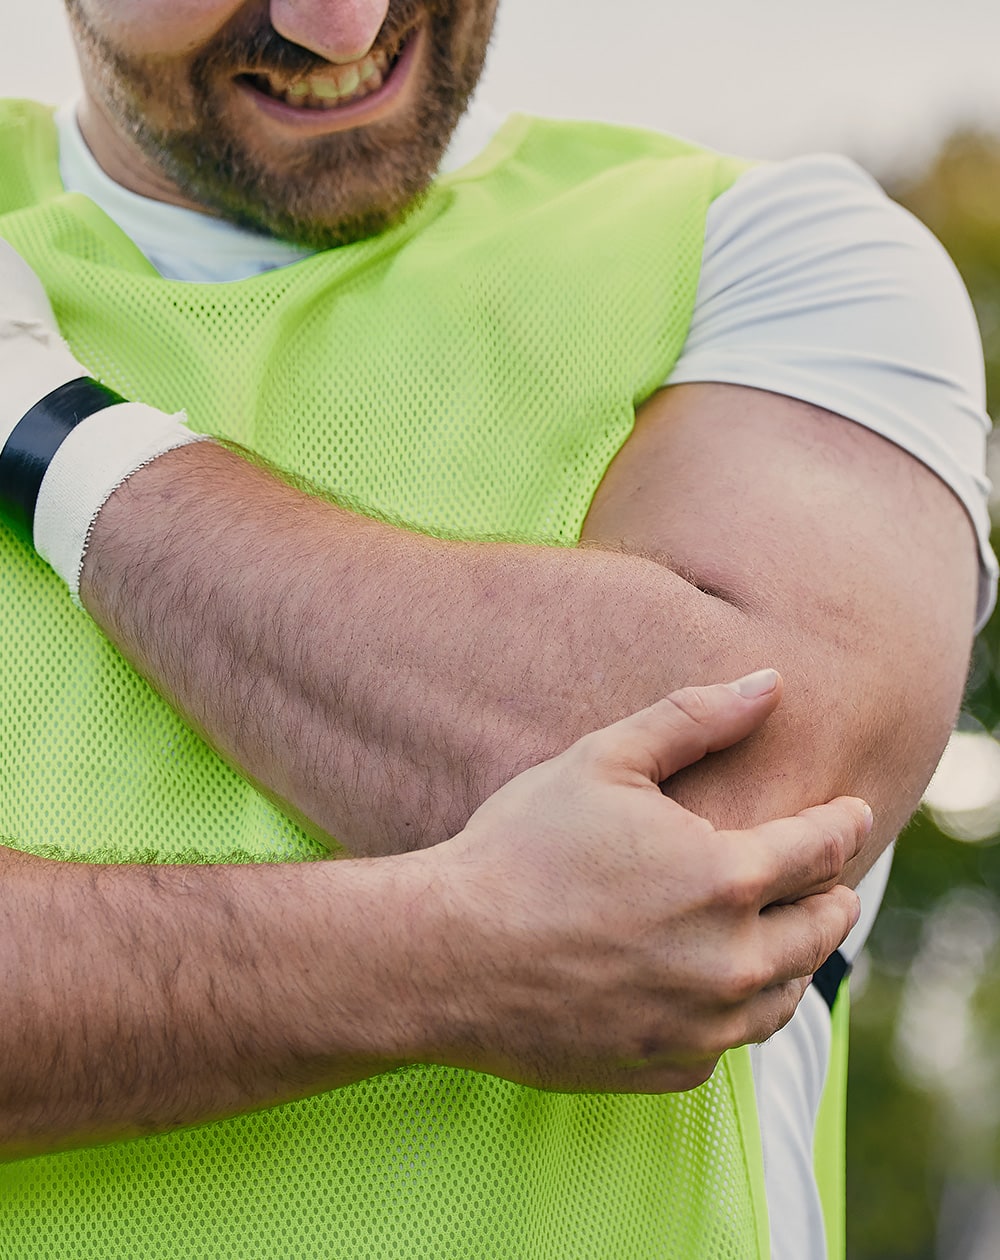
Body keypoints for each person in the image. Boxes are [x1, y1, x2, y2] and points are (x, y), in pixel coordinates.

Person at [0, 1, 993, 1256]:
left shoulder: (765, 254)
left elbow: (716, 838)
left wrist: (45, 423)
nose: (338, 19)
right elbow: (620, 901)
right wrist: (442, 956)